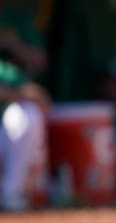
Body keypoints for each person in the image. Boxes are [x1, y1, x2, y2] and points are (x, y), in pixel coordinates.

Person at [0, 4, 51, 211]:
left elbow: (40, 62)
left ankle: (11, 193)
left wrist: (14, 47)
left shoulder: (17, 17)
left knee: (26, 114)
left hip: (4, 131)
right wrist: (20, 93)